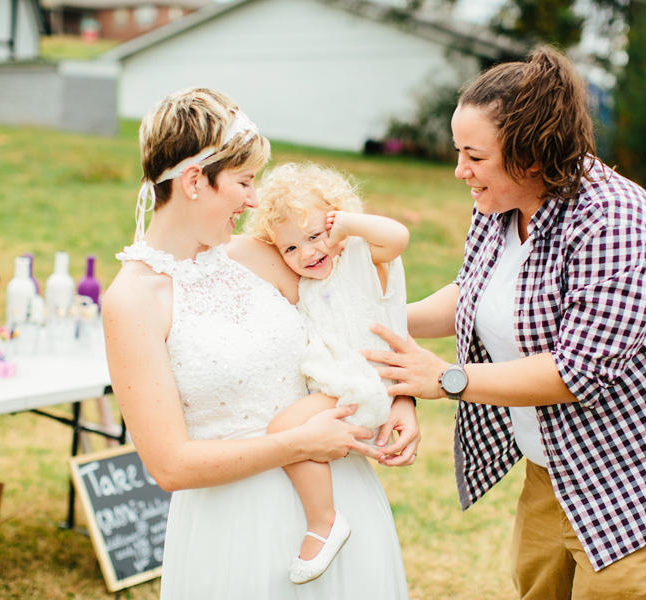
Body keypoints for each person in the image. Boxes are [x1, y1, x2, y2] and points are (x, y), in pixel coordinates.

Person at [362, 46, 646, 599]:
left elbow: (576, 372)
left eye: (474, 156)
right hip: (554, 467)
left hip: (642, 471)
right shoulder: (501, 202)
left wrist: (444, 379)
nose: (460, 170)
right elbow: (473, 293)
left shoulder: (614, 220)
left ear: (531, 155)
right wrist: (380, 320)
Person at [102, 87, 417, 599]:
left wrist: (400, 398)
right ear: (194, 181)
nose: (254, 200)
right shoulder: (133, 301)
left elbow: (359, 317)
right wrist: (297, 443)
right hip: (233, 527)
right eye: (245, 181)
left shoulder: (265, 255)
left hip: (344, 496)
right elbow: (169, 465)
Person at [246, 162, 410, 584]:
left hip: (363, 387)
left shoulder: (359, 256)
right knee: (294, 429)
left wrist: (350, 225)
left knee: (285, 429)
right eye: (291, 249)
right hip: (346, 386)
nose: (308, 254)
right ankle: (323, 517)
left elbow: (398, 237)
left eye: (317, 236)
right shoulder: (311, 282)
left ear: (336, 223)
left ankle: (324, 521)